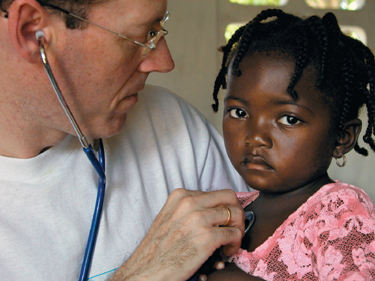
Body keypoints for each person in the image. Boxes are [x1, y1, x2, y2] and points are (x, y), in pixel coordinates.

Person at [0, 0, 249, 280]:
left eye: (158, 31)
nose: (164, 62)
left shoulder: (172, 125)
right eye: (140, 36)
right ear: (31, 31)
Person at [207, 9, 375, 281]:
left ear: (342, 138)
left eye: (288, 119)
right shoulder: (228, 210)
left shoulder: (340, 213)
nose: (255, 137)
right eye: (239, 113)